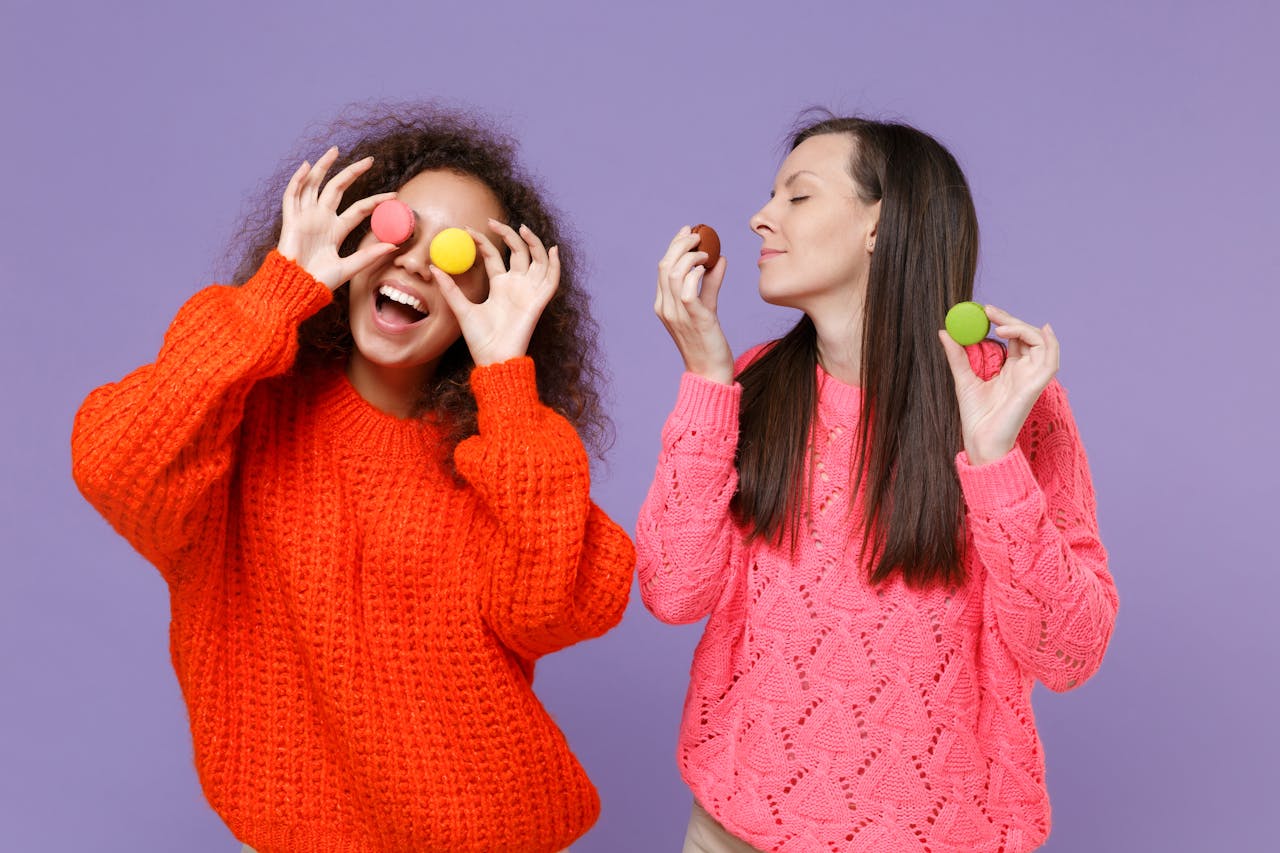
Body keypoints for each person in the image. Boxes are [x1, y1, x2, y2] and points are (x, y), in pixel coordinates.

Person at [71, 104, 635, 853]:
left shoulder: (500, 452)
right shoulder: (244, 415)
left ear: (488, 291)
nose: (415, 263)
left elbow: (557, 607)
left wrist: (506, 378)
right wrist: (275, 296)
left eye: (458, 254)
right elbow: (118, 465)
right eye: (401, 228)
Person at [638, 114, 1118, 853]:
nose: (761, 215)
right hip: (732, 829)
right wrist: (706, 377)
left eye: (798, 196)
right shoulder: (756, 383)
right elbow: (673, 592)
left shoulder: (1008, 400)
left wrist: (993, 464)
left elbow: (1070, 653)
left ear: (879, 225)